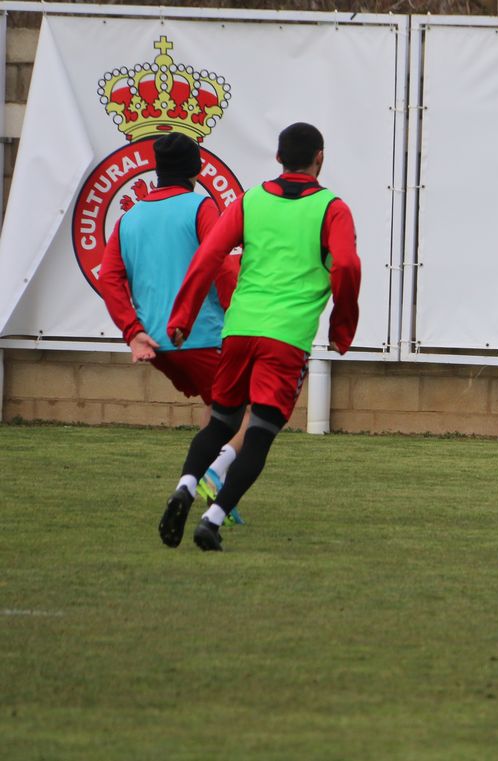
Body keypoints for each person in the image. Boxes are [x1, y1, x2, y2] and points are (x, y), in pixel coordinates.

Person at [160, 122, 361, 551]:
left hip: (239, 329)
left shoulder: (250, 200)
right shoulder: (332, 208)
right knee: (261, 431)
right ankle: (212, 520)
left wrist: (183, 315)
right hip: (284, 338)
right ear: (320, 158)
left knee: (220, 423)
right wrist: (342, 326)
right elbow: (345, 265)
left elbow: (210, 253)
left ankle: (185, 485)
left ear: (277, 158)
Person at [97, 133, 247, 532]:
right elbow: (221, 264)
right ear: (197, 170)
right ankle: (210, 481)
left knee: (217, 409)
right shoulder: (201, 207)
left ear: (156, 170)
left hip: (156, 344)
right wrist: (243, 313)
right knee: (260, 410)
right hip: (203, 336)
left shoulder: (129, 218)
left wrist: (133, 331)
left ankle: (215, 488)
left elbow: (109, 278)